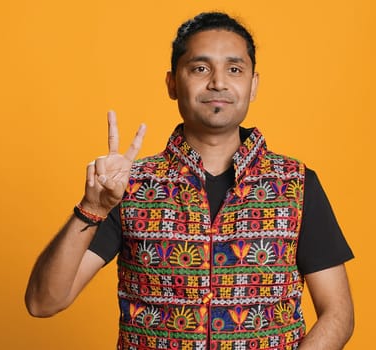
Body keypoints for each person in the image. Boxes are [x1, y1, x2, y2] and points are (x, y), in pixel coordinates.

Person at [25, 12, 354, 350]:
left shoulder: (295, 185)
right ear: (172, 83)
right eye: (200, 68)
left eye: (234, 69)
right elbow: (44, 302)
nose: (218, 83)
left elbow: (338, 312)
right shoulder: (127, 187)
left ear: (253, 85)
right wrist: (92, 207)